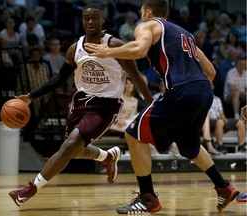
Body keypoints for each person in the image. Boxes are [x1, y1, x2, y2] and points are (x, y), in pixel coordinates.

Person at [85, 0, 240, 213]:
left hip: (182, 90)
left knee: (133, 134)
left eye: (141, 12)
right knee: (189, 145)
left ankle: (148, 198)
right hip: (204, 91)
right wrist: (193, 89)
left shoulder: (148, 25)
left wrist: (108, 52)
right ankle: (224, 187)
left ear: (148, 12)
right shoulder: (186, 33)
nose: (140, 16)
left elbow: (139, 49)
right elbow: (211, 72)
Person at [8, 3, 152, 207]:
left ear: (103, 20)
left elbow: (136, 77)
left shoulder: (115, 45)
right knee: (74, 150)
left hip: (105, 106)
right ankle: (107, 156)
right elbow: (59, 78)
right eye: (87, 18)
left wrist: (151, 103)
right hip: (80, 102)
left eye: (95, 18)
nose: (91, 21)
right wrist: (31, 96)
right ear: (82, 21)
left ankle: (29, 189)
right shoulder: (75, 48)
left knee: (68, 146)